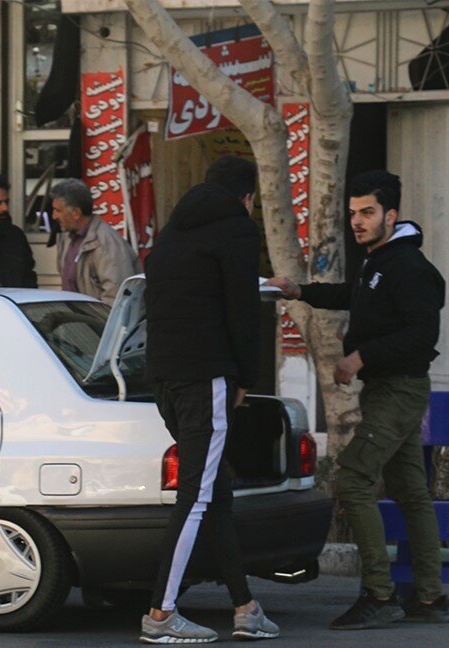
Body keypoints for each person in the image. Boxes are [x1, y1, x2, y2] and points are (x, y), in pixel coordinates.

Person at [266, 170, 448, 629]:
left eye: (367, 212)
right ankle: (428, 597)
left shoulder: (408, 266)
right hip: (390, 389)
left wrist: (358, 358)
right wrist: (300, 291)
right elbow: (354, 296)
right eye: (352, 213)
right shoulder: (379, 260)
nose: (357, 221)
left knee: (350, 481)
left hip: (399, 390)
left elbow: (422, 334)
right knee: (410, 492)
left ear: (391, 214)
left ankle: (380, 594)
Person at [140, 156, 279, 644]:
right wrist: (245, 375)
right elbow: (243, 310)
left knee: (214, 492)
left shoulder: (172, 233)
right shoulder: (237, 231)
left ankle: (245, 606)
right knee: (197, 496)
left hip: (164, 379)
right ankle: (160, 615)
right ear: (247, 197)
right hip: (207, 378)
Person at [49, 178, 141, 305]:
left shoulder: (106, 243)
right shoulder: (67, 238)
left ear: (76, 213)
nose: (54, 216)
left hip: (98, 322)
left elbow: (116, 297)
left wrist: (95, 323)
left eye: (58, 210)